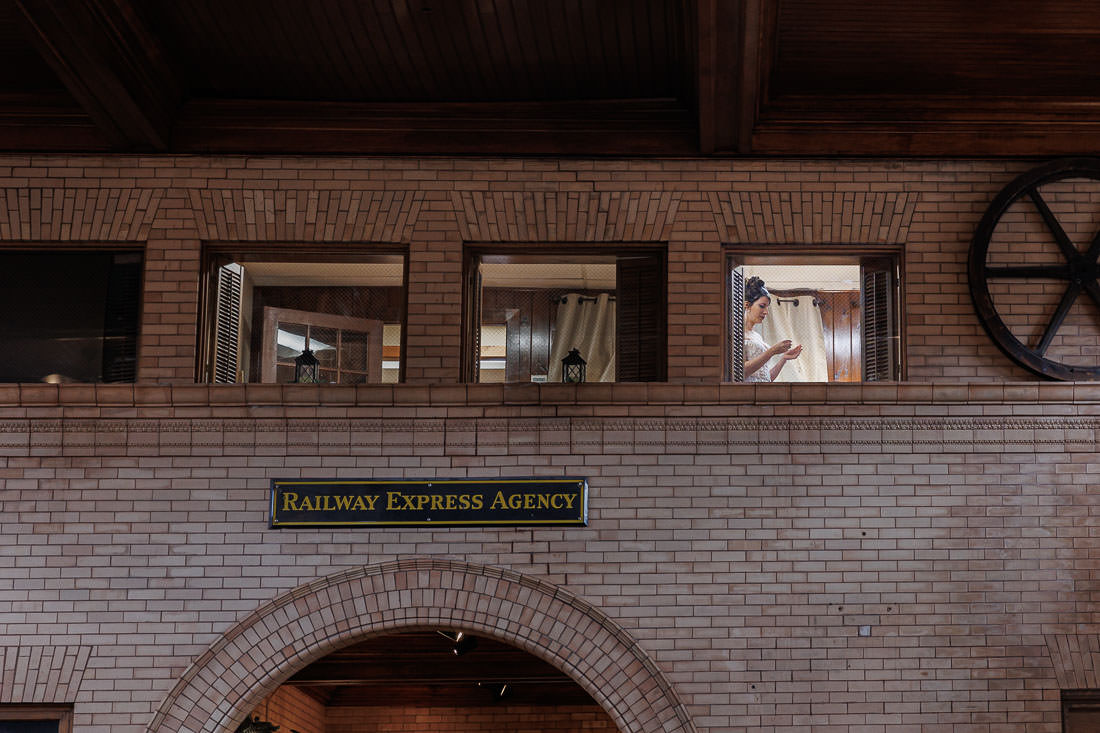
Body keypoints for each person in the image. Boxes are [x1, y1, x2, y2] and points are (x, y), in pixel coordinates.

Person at [742, 276, 802, 382]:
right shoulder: (737, 334)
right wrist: (772, 351)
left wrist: (784, 358)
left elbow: (765, 378)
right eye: (762, 306)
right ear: (747, 305)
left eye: (767, 307)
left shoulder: (757, 336)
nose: (766, 312)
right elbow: (741, 372)